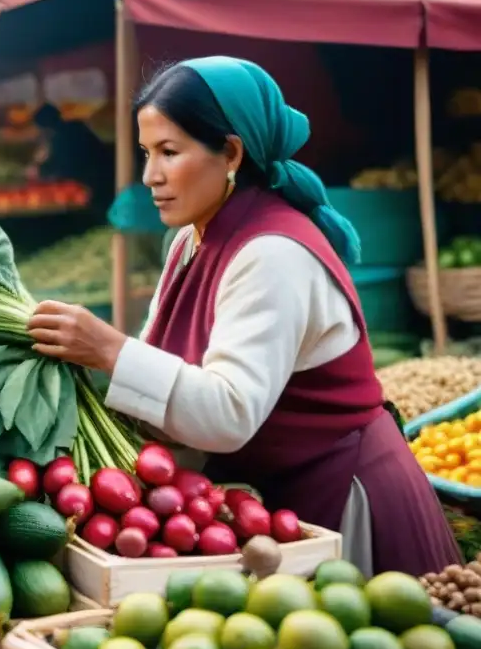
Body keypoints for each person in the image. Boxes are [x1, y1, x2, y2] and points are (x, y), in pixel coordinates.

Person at [26, 57, 459, 578]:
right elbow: (165, 363)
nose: (150, 176)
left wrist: (109, 352)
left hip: (340, 503)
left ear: (230, 152)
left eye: (169, 152)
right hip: (273, 508)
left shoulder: (272, 252)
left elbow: (230, 413)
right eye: (147, 153)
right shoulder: (191, 238)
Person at [31, 103, 114, 204]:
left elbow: (63, 163)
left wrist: (41, 170)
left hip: (93, 183)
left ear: (45, 125)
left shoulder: (62, 137)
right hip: (102, 177)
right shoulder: (75, 127)